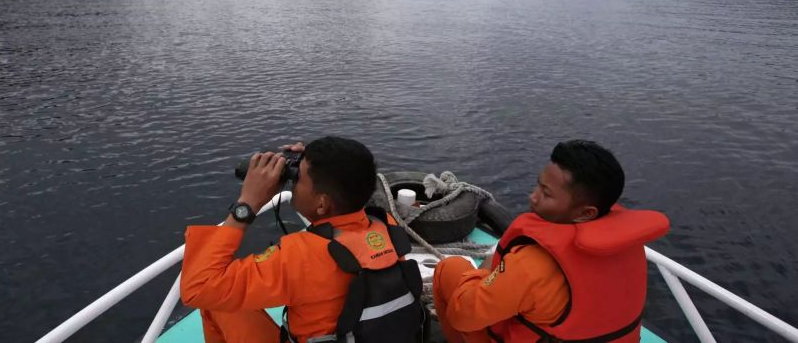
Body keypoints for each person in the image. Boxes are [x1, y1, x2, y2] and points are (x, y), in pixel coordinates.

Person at [180, 136, 425, 343]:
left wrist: (248, 204)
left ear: (322, 203)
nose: (293, 182)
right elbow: (351, 173)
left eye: (299, 177)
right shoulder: (385, 226)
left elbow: (199, 287)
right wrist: (317, 159)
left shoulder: (300, 256)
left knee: (217, 303)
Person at [433, 140, 669, 342]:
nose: (533, 197)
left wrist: (489, 267)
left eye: (546, 193)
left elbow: (462, 315)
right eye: (538, 185)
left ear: (586, 213)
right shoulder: (628, 245)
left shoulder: (529, 266)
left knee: (449, 269)